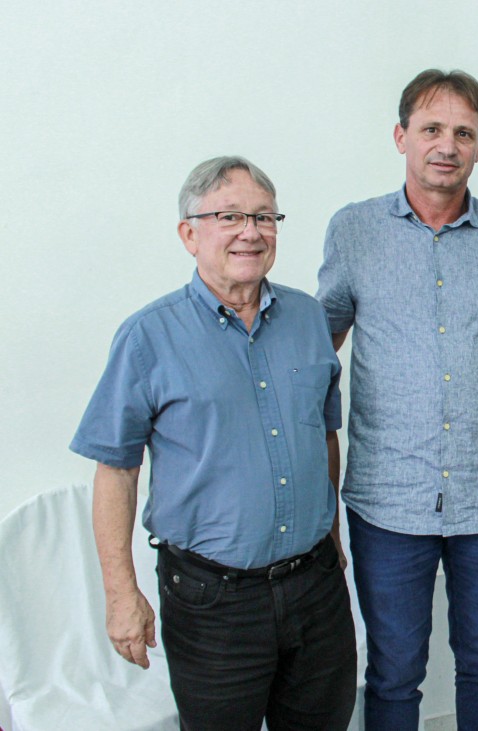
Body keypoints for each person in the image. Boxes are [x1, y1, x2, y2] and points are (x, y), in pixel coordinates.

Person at [70, 157, 357, 731]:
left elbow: (324, 435)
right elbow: (116, 471)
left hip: (316, 587)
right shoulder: (148, 336)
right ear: (189, 234)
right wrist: (122, 595)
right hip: (213, 602)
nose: (251, 232)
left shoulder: (308, 318)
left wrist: (331, 538)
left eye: (264, 216)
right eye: (229, 216)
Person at [316, 69, 478, 730]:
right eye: (432, 129)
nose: (447, 145)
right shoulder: (353, 230)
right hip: (388, 497)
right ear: (401, 136)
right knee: (392, 671)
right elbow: (321, 344)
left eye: (464, 133)